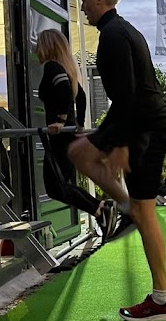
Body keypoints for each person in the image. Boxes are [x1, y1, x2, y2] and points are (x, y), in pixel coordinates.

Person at [67, 0, 166, 321]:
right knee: (81, 152)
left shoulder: (114, 34)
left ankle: (161, 299)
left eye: (85, 0)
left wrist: (123, 145)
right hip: (142, 121)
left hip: (143, 125)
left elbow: (128, 95)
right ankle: (127, 212)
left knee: (81, 155)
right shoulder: (122, 29)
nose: (83, 7)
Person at [36, 30, 117, 241]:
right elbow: (80, 97)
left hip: (61, 137)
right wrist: (77, 125)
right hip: (67, 135)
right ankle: (101, 209)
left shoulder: (53, 67)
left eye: (39, 45)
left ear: (48, 46)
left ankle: (100, 208)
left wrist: (61, 121)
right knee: (62, 186)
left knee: (56, 187)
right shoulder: (66, 69)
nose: (36, 50)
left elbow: (65, 92)